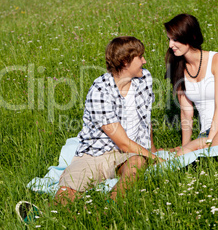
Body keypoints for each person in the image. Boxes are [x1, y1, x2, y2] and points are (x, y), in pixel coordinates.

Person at [54, 36, 163, 205]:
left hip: (129, 154)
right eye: (140, 57)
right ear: (126, 61)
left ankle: (110, 209)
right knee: (68, 189)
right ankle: (42, 217)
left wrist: (152, 151)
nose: (145, 60)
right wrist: (157, 159)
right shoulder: (100, 90)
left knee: (136, 164)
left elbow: (145, 120)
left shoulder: (145, 79)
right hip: (95, 154)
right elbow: (123, 143)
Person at [164, 14, 218, 156]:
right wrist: (184, 147)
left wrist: (211, 139)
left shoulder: (217, 60)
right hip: (206, 129)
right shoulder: (177, 68)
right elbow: (186, 113)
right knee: (181, 158)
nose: (170, 45)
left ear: (191, 36)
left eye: (175, 39)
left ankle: (212, 143)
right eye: (169, 39)